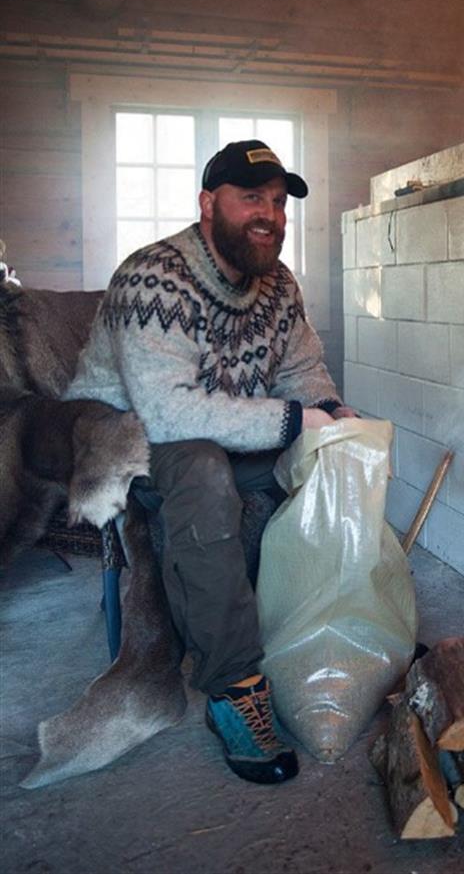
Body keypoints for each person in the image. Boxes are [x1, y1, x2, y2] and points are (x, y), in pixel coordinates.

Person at [64, 140, 356, 785]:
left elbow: (303, 372)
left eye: (278, 202)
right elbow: (167, 414)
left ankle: (348, 628)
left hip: (223, 429)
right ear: (207, 203)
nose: (270, 215)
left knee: (335, 453)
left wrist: (330, 412)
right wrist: (293, 420)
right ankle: (234, 688)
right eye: (252, 198)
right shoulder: (152, 276)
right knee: (202, 471)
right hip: (125, 437)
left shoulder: (278, 284)